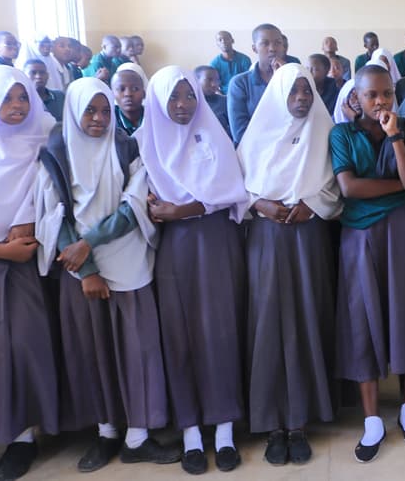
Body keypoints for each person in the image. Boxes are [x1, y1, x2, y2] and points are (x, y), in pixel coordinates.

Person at [37, 77, 180, 472]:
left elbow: (133, 205)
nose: (99, 118)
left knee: (137, 350)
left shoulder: (126, 146)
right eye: (89, 111)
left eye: (104, 110)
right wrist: (85, 268)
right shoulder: (56, 152)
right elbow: (54, 215)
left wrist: (89, 243)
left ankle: (138, 437)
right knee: (93, 352)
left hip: (127, 261)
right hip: (79, 274)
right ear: (74, 112)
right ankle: (106, 433)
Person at [134, 66, 249, 474]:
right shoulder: (143, 144)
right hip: (175, 251)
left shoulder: (213, 134)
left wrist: (183, 209)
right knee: (180, 338)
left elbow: (232, 192)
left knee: (221, 332)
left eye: (188, 96)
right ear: (157, 101)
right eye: (173, 97)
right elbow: (144, 204)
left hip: (216, 242)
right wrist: (173, 212)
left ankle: (225, 431)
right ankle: (191, 434)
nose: (182, 105)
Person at [329, 65, 405, 463]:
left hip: (403, 232)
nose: (380, 102)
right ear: (355, 98)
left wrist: (395, 137)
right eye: (371, 95)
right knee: (364, 318)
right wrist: (403, 186)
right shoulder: (341, 134)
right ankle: (372, 418)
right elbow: (350, 187)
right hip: (360, 236)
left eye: (387, 94)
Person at [236, 64, 341, 466]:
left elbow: (336, 184)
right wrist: (260, 203)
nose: (301, 98)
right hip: (266, 238)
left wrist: (311, 204)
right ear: (280, 94)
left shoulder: (324, 132)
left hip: (307, 238)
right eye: (294, 91)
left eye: (307, 91)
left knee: (305, 318)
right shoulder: (257, 136)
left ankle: (299, 423)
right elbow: (237, 186)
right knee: (268, 322)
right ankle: (272, 424)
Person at [0, 66, 60, 480]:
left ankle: (22, 437)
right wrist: (2, 249)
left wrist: (28, 223)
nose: (16, 106)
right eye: (6, 98)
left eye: (23, 97)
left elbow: (50, 191)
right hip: (7, 254)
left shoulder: (45, 136)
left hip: (30, 262)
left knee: (24, 347)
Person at [228, 23, 286, 144]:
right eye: (265, 43)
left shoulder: (293, 79)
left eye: (278, 43)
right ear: (254, 48)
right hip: (253, 150)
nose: (272, 48)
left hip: (289, 149)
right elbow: (239, 132)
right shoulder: (240, 83)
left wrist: (285, 77)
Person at [194, 65, 231, 138]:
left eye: (217, 80)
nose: (214, 84)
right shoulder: (189, 104)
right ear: (196, 80)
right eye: (209, 80)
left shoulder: (225, 102)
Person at [112, 63, 147, 136]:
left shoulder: (153, 117)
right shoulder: (108, 121)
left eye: (135, 89)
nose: (128, 94)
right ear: (112, 95)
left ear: (144, 94)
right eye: (121, 89)